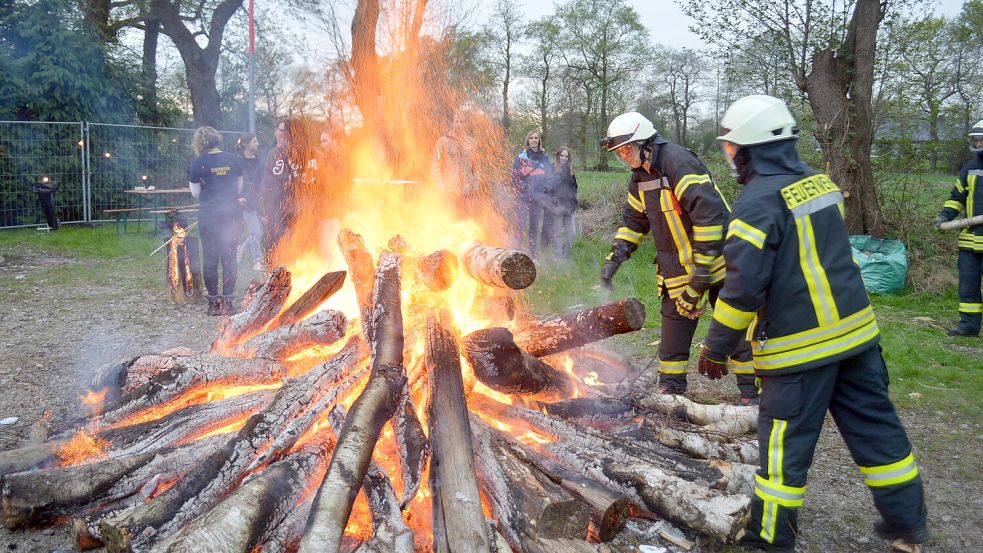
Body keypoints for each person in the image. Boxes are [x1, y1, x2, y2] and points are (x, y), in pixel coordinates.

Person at [698, 95, 927, 552]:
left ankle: (769, 539)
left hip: (800, 349)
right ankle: (908, 521)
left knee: (783, 452)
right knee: (877, 428)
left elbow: (742, 289)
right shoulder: (819, 184)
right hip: (857, 339)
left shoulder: (755, 204)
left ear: (750, 148)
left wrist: (716, 348)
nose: (729, 156)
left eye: (730, 147)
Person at [598, 111, 756, 404]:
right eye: (618, 152)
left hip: (719, 262)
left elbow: (711, 220)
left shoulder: (678, 162)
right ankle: (671, 393)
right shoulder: (640, 176)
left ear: (646, 143)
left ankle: (752, 394)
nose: (622, 157)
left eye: (625, 150)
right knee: (673, 332)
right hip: (678, 268)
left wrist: (700, 281)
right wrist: (614, 260)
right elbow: (634, 221)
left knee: (733, 328)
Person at [933, 119, 983, 337]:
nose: (978, 144)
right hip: (971, 241)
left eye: (982, 140)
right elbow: (956, 198)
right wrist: (945, 215)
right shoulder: (970, 168)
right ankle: (969, 326)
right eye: (976, 140)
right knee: (968, 286)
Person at [188, 126, 243, 316]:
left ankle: (213, 303)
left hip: (209, 215)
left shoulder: (198, 162)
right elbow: (239, 188)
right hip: (232, 215)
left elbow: (195, 193)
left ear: (200, 143)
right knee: (229, 257)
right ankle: (228, 302)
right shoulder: (234, 160)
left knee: (210, 258)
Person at [260, 118, 303, 263]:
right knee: (277, 245)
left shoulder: (299, 154)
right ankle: (277, 277)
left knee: (293, 245)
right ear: (275, 131)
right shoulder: (273, 154)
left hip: (294, 208)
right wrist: (264, 211)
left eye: (286, 131)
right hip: (276, 209)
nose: (283, 133)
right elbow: (267, 185)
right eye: (281, 130)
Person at [510, 130, 553, 256]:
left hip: (537, 199)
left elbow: (550, 177)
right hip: (522, 197)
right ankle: (517, 253)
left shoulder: (544, 159)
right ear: (528, 141)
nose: (534, 140)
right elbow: (513, 177)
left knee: (533, 228)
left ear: (539, 141)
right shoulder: (521, 158)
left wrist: (545, 188)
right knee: (520, 226)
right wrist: (521, 186)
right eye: (531, 138)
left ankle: (531, 256)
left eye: (536, 138)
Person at [433, 110, 480, 216]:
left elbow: (477, 167)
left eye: (462, 122)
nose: (460, 124)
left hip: (467, 192)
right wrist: (441, 186)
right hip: (449, 191)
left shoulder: (472, 143)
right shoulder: (442, 142)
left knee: (467, 222)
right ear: (453, 123)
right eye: (457, 121)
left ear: (466, 124)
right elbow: (436, 166)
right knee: (449, 220)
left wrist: (475, 185)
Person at [235, 133, 265, 272]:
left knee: (258, 232)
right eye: (254, 141)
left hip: (258, 201)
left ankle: (242, 247)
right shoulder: (238, 161)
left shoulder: (259, 161)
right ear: (246, 144)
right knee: (256, 232)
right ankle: (257, 260)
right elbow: (235, 181)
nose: (257, 144)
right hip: (245, 202)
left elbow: (260, 182)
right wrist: (238, 196)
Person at [548, 147, 578, 259]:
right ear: (558, 156)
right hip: (557, 207)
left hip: (569, 207)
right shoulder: (552, 169)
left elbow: (574, 188)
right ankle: (556, 257)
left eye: (566, 156)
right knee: (557, 234)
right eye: (562, 155)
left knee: (572, 234)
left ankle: (564, 255)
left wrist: (573, 204)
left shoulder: (570, 172)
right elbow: (548, 188)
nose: (564, 158)